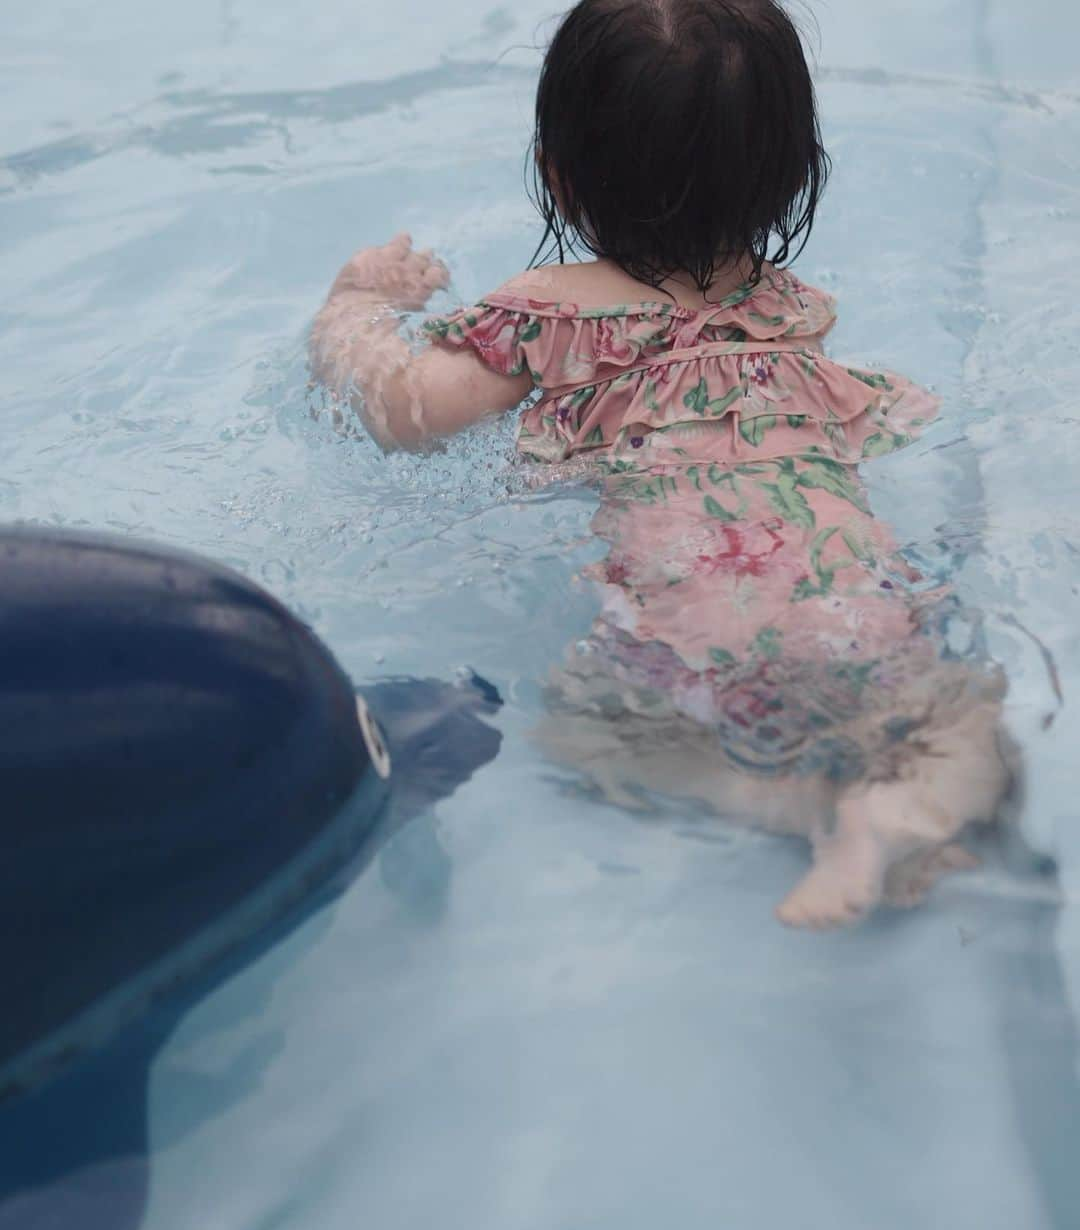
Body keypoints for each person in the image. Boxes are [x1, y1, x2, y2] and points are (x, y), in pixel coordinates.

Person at [309, 0, 1012, 928]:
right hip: (856, 602)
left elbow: (402, 411)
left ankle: (781, 801)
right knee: (964, 728)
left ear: (556, 179)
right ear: (797, 174)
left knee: (583, 732)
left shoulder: (548, 319)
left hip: (682, 620)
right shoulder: (794, 313)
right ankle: (885, 814)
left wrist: (350, 306)